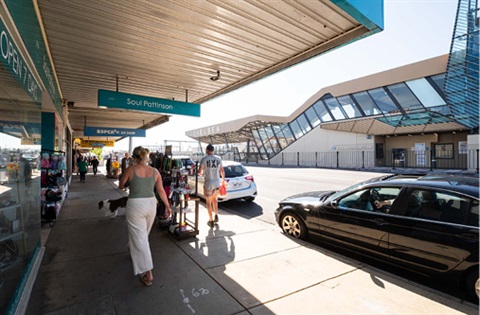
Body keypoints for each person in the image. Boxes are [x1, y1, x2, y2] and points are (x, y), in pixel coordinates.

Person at [119, 146, 171, 287]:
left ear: (134, 158)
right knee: (142, 236)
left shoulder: (131, 169)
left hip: (135, 205)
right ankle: (133, 248)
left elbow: (121, 185)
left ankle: (148, 273)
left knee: (141, 239)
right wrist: (167, 205)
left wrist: (129, 181)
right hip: (151, 204)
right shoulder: (155, 171)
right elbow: (160, 190)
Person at [198, 144, 225, 227]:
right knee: (215, 200)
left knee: (208, 202)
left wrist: (199, 173)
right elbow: (222, 171)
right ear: (213, 150)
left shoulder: (204, 159)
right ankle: (216, 215)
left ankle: (211, 220)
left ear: (207, 150)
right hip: (217, 183)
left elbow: (200, 172)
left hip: (208, 184)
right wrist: (223, 181)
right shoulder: (218, 159)